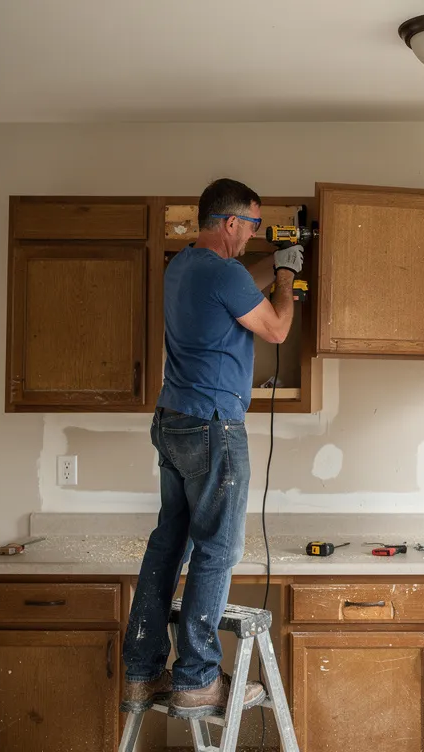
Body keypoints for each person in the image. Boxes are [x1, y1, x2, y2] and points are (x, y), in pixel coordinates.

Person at [120, 178, 304, 719]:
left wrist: (271, 263)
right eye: (251, 226)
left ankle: (142, 671)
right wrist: (287, 277)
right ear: (229, 223)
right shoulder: (224, 273)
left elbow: (235, 285)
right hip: (213, 427)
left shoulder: (182, 266)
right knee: (217, 551)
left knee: (168, 545)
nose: (253, 236)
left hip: (173, 422)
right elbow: (274, 330)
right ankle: (198, 678)